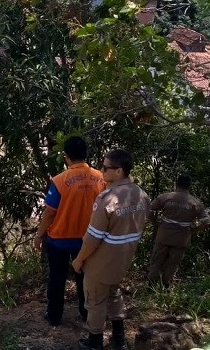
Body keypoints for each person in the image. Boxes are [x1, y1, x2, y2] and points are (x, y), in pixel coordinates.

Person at [71, 149, 151, 350]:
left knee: (95, 303)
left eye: (106, 168)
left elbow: (92, 239)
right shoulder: (141, 195)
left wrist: (79, 259)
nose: (102, 170)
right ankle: (119, 338)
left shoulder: (107, 199)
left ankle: (95, 342)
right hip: (122, 260)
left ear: (119, 171)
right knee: (114, 294)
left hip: (101, 261)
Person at [34, 136, 106, 326]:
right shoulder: (101, 178)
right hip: (88, 240)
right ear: (85, 154)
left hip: (59, 240)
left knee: (57, 278)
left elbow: (50, 213)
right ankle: (86, 313)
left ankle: (55, 316)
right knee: (85, 278)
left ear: (66, 157)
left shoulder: (59, 181)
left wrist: (39, 235)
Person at [147, 174, 210, 287]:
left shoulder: (165, 197)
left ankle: (151, 286)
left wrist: (155, 223)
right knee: (173, 263)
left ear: (176, 184)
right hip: (181, 238)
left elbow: (148, 210)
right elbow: (207, 223)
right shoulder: (195, 203)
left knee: (157, 260)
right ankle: (166, 286)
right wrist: (194, 230)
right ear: (189, 186)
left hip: (164, 235)